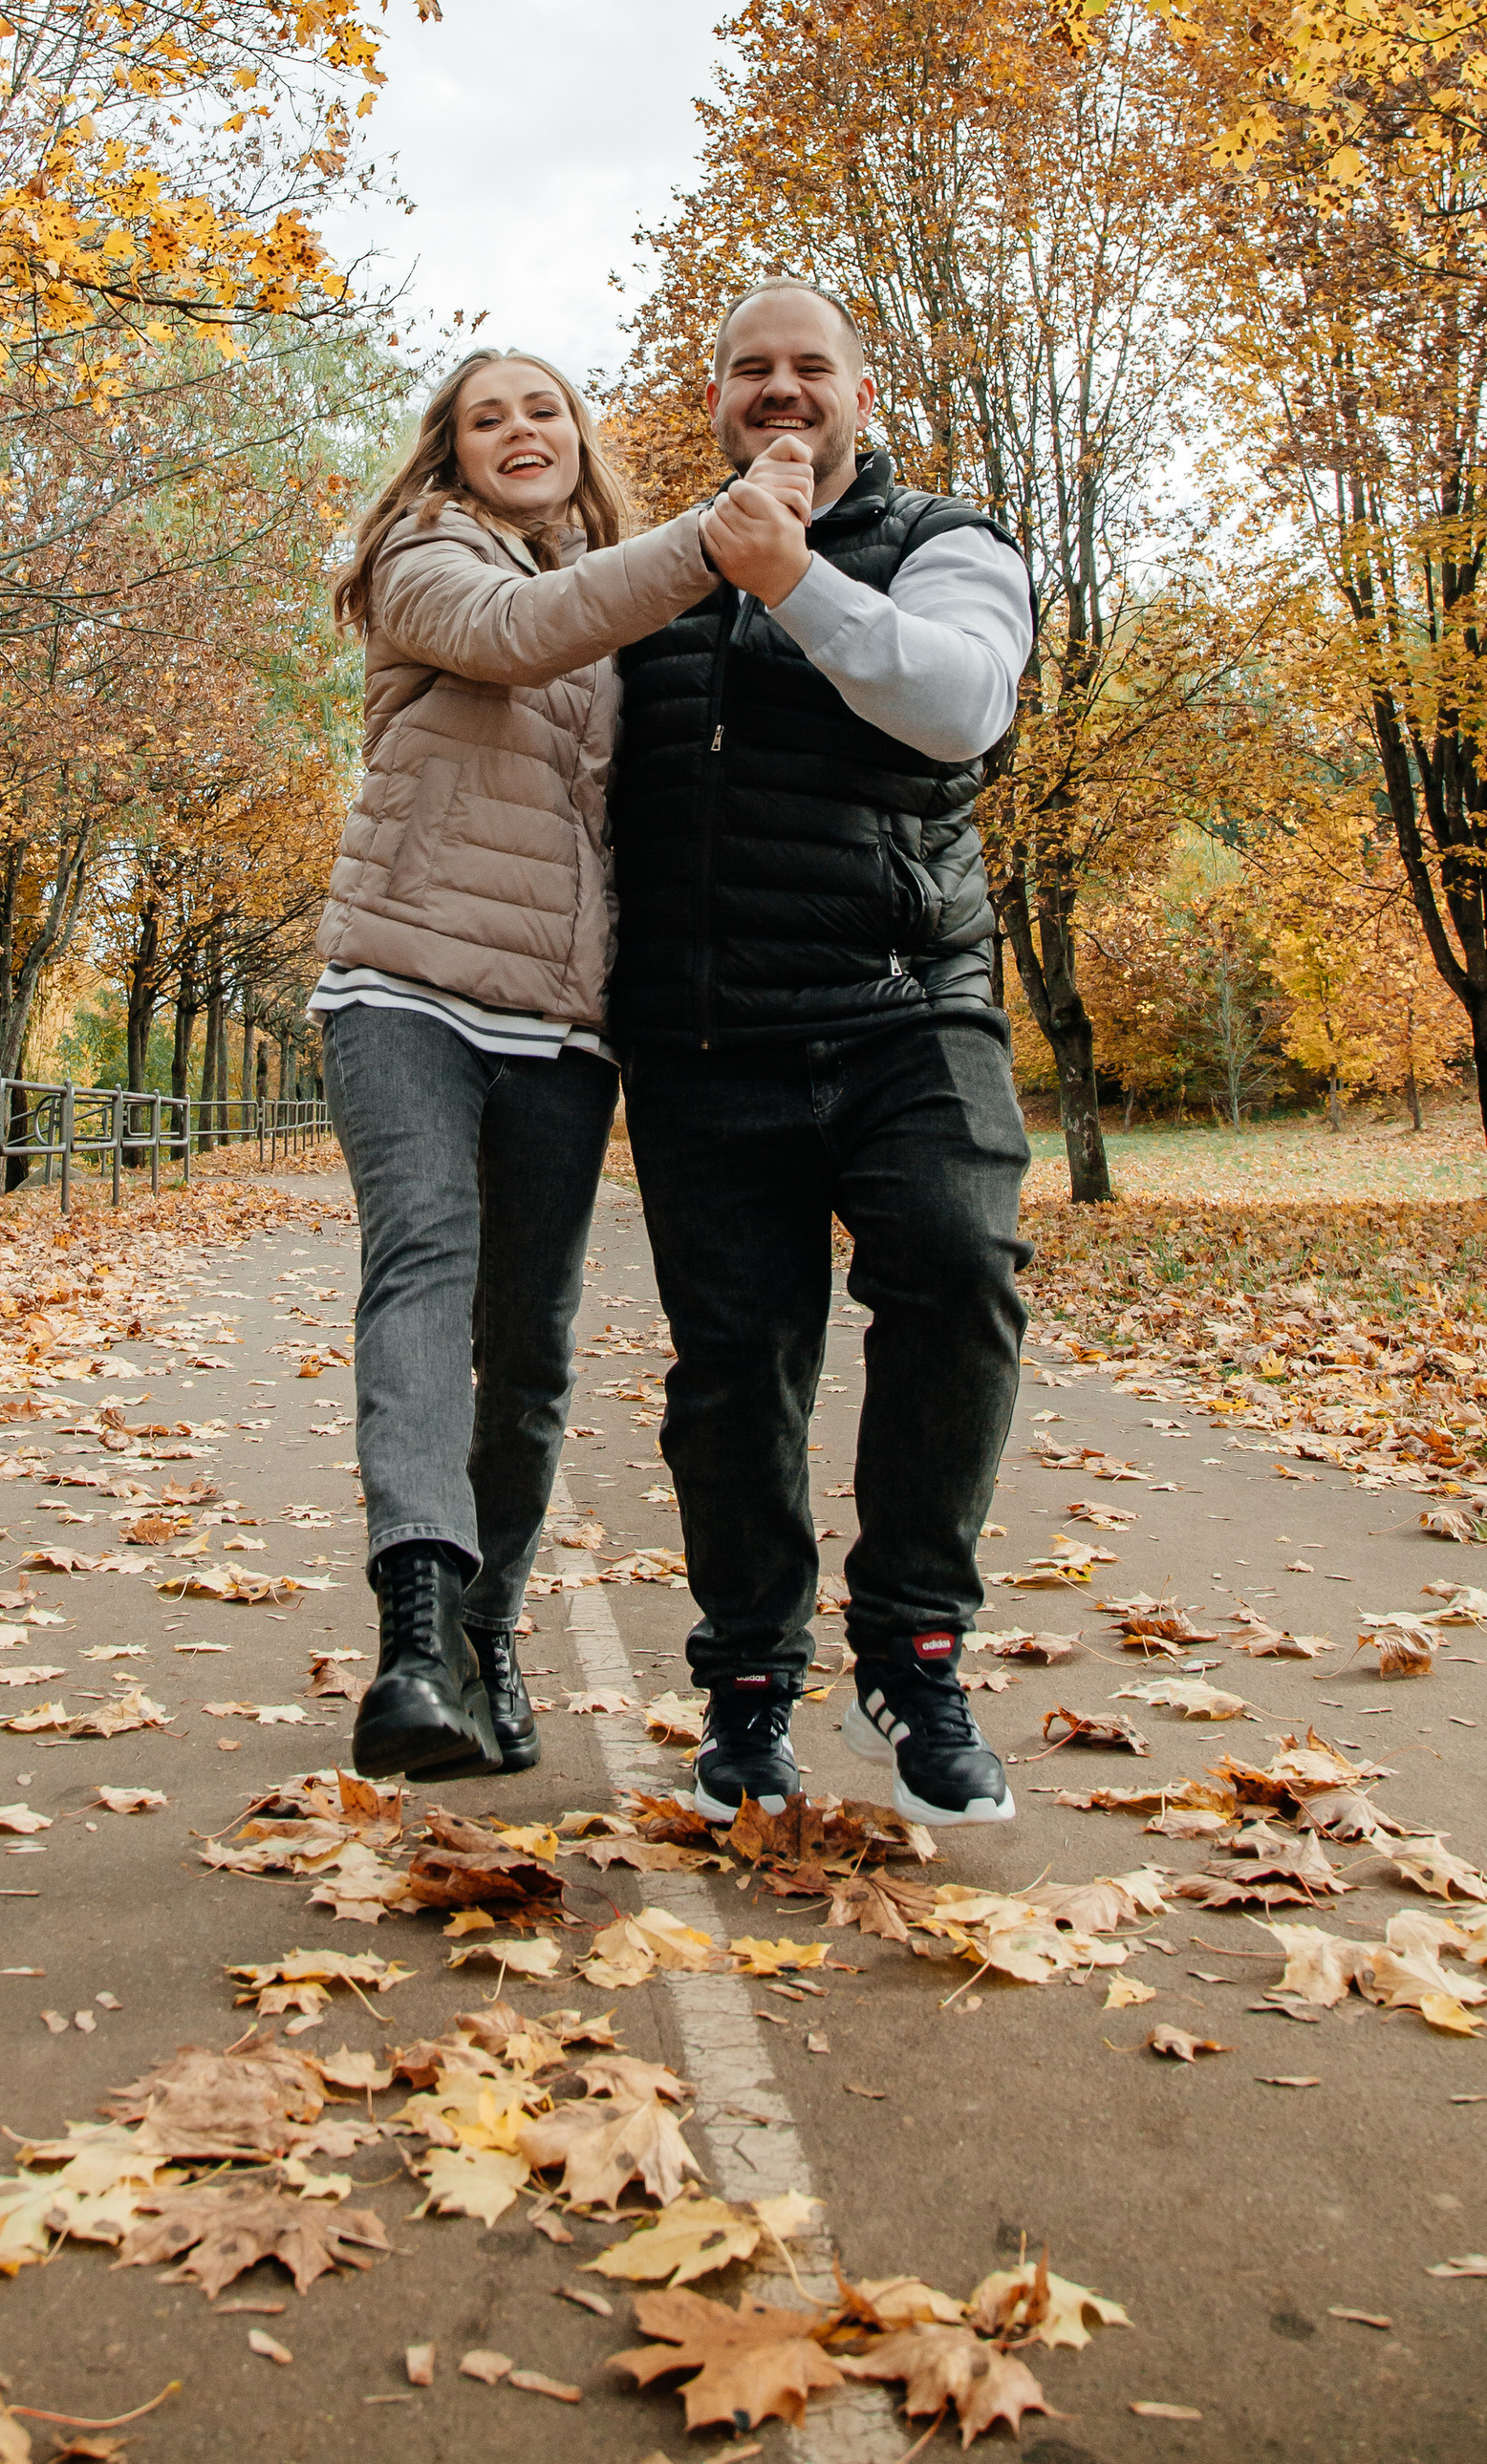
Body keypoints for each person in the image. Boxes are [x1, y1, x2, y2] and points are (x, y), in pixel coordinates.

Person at [608, 282, 1037, 1827]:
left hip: (906, 1004)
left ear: (863, 392)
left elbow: (960, 706)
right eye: (749, 371)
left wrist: (791, 578)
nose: (779, 393)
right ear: (711, 398)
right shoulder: (651, 575)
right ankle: (747, 1687)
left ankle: (914, 1653)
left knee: (958, 1268)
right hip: (703, 1042)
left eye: (810, 371)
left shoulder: (949, 543)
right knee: (734, 1376)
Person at [313, 348, 721, 1781]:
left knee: (535, 1351)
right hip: (404, 980)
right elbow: (522, 629)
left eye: (542, 408)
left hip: (559, 1020)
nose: (519, 431)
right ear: (453, 452)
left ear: (577, 435)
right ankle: (415, 1631)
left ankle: (485, 1636)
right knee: (422, 1261)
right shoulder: (431, 560)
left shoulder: (623, 607)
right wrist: (711, 539)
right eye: (488, 418)